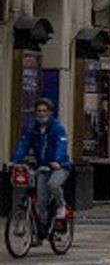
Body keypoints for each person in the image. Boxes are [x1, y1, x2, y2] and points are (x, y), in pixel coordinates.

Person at [8, 98, 72, 243]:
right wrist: (15, 161)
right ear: (35, 112)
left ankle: (61, 206)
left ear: (50, 112)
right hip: (42, 167)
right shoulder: (32, 128)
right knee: (41, 202)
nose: (41, 114)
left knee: (53, 185)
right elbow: (23, 144)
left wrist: (57, 160)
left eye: (44, 111)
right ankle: (41, 232)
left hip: (60, 166)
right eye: (39, 111)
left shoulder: (57, 128)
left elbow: (61, 146)